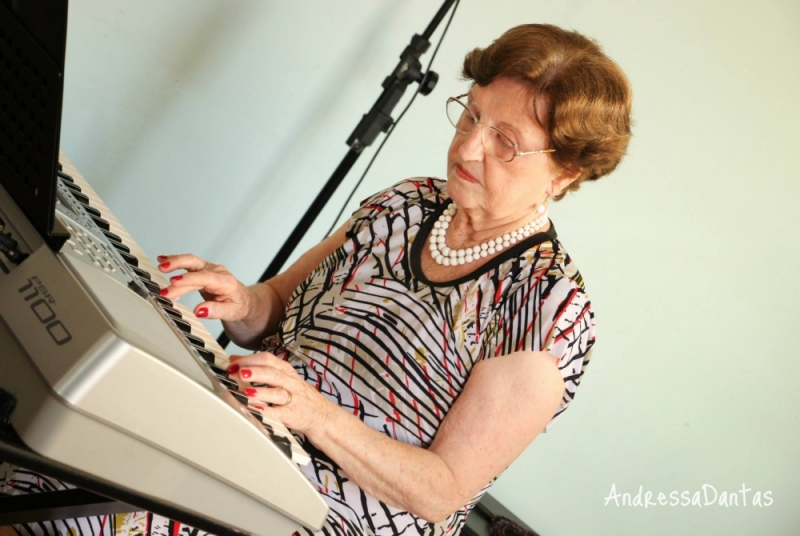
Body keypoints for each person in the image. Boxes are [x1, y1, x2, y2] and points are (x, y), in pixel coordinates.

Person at [3, 23, 631, 536]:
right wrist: (241, 299)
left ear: (566, 171)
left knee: (76, 506)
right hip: (248, 435)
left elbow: (439, 493)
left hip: (330, 514)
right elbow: (275, 308)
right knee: (39, 440)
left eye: (504, 142)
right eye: (469, 118)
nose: (467, 149)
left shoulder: (549, 309)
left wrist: (313, 414)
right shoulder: (406, 203)